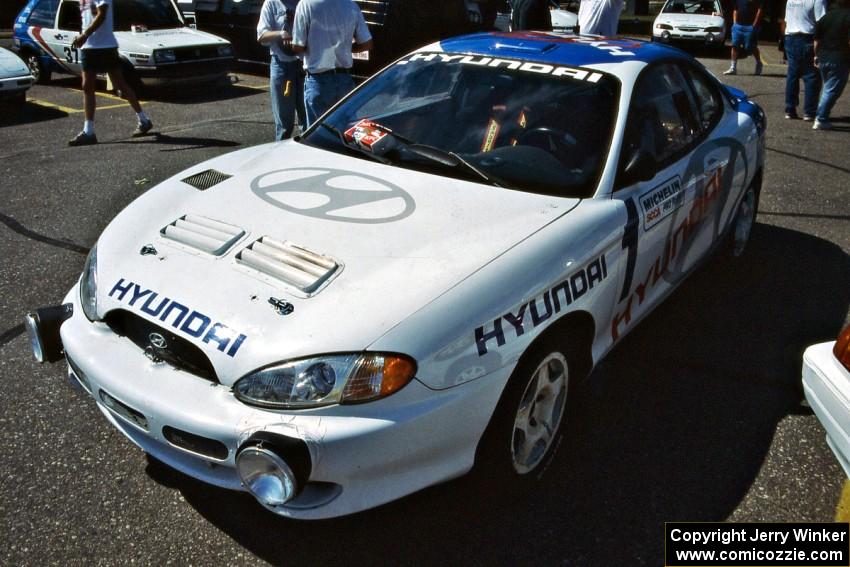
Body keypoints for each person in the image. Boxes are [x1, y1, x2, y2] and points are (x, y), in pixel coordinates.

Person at [68, 0, 152, 146]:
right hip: (89, 47)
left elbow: (102, 14)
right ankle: (89, 131)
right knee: (87, 86)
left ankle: (144, 119)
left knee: (120, 84)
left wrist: (85, 35)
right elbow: (86, 17)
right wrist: (82, 36)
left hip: (106, 46)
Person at [291, 0, 373, 127]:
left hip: (318, 80)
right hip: (344, 79)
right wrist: (345, 49)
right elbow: (367, 43)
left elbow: (297, 46)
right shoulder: (351, 5)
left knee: (317, 137)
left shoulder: (306, 4)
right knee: (345, 131)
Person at [257, 0, 306, 140]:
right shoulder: (271, 4)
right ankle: (280, 155)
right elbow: (261, 35)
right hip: (282, 66)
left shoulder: (304, 3)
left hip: (303, 65)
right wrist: (280, 33)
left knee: (308, 120)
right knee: (284, 123)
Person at [781, 0, 827, 120]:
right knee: (812, 76)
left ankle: (790, 109)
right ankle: (809, 111)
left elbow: (786, 20)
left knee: (793, 75)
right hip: (808, 38)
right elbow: (822, 23)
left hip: (790, 37)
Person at [813, 0, 850, 129]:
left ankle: (823, 115)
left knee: (827, 88)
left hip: (823, 56)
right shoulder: (848, 17)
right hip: (840, 58)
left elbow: (816, 40)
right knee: (832, 90)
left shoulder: (825, 17)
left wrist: (816, 55)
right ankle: (821, 118)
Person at [724, 0, 765, 75]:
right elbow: (735, 10)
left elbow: (759, 11)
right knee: (735, 46)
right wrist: (734, 23)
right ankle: (733, 67)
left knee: (750, 47)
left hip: (750, 27)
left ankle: (759, 63)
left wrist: (754, 25)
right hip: (738, 26)